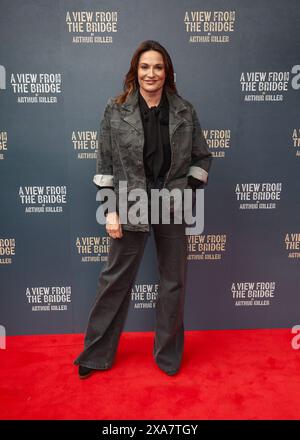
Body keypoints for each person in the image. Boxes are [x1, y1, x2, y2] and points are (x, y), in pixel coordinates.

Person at [74, 40, 212, 379]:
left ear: (168, 72)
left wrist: (185, 190)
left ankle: (168, 357)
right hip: (129, 200)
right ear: (135, 71)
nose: (151, 73)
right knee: (114, 279)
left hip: (171, 202)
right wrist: (111, 210)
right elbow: (105, 162)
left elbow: (202, 157)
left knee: (173, 282)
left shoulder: (184, 110)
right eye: (145, 67)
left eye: (158, 67)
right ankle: (95, 355)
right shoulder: (115, 109)